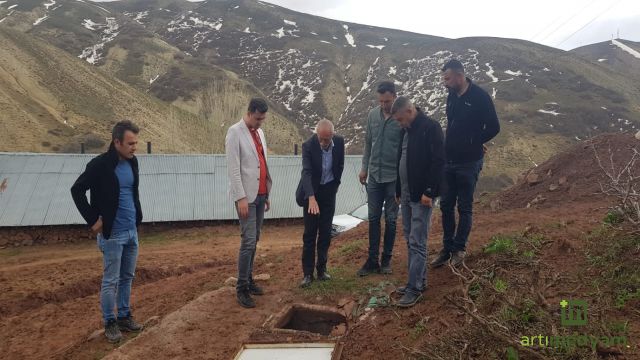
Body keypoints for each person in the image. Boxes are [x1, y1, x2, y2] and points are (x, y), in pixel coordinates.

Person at [71, 120, 144, 343]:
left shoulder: (133, 163)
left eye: (136, 143)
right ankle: (109, 321)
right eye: (130, 143)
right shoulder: (100, 165)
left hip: (131, 231)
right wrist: (93, 220)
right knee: (110, 280)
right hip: (112, 234)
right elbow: (77, 190)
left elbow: (131, 193)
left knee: (127, 277)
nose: (134, 147)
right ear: (116, 142)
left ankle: (123, 316)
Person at [431, 59, 500, 268]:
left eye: (448, 78)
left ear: (460, 76)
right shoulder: (451, 95)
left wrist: (474, 141)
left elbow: (494, 127)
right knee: (445, 205)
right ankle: (447, 248)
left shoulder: (480, 96)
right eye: (444, 79)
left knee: (464, 206)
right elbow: (452, 124)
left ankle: (459, 249)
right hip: (449, 160)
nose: (445, 82)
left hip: (469, 162)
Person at [391, 97, 445, 307]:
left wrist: (429, 191)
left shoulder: (430, 127)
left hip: (422, 195)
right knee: (409, 237)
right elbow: (400, 161)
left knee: (417, 241)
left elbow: (439, 161)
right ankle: (417, 281)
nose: (399, 123)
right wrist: (397, 188)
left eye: (400, 119)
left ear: (410, 110)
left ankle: (414, 289)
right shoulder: (406, 130)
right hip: (405, 193)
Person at [225, 98, 273, 308]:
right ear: (250, 112)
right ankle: (241, 288)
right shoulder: (235, 132)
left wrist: (266, 193)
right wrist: (240, 197)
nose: (261, 122)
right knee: (248, 241)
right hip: (246, 197)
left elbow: (261, 162)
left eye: (263, 119)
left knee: (255, 240)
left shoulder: (260, 132)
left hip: (261, 194)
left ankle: (250, 278)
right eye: (258, 118)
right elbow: (233, 168)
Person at [357, 81, 403, 276]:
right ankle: (372, 260)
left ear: (394, 96)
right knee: (374, 218)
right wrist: (364, 168)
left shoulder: (401, 117)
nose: (385, 105)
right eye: (381, 101)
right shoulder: (372, 115)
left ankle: (387, 260)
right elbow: (368, 143)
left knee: (391, 220)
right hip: (374, 176)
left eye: (388, 101)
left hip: (394, 177)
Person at [296, 119, 345, 288]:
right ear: (317, 134)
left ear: (333, 134)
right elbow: (306, 172)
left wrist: (335, 186)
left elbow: (340, 165)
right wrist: (310, 197)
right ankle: (308, 274)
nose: (324, 143)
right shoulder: (308, 145)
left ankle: (322, 270)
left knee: (325, 233)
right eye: (321, 139)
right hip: (312, 193)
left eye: (327, 139)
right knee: (310, 234)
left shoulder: (339, 142)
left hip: (329, 192)